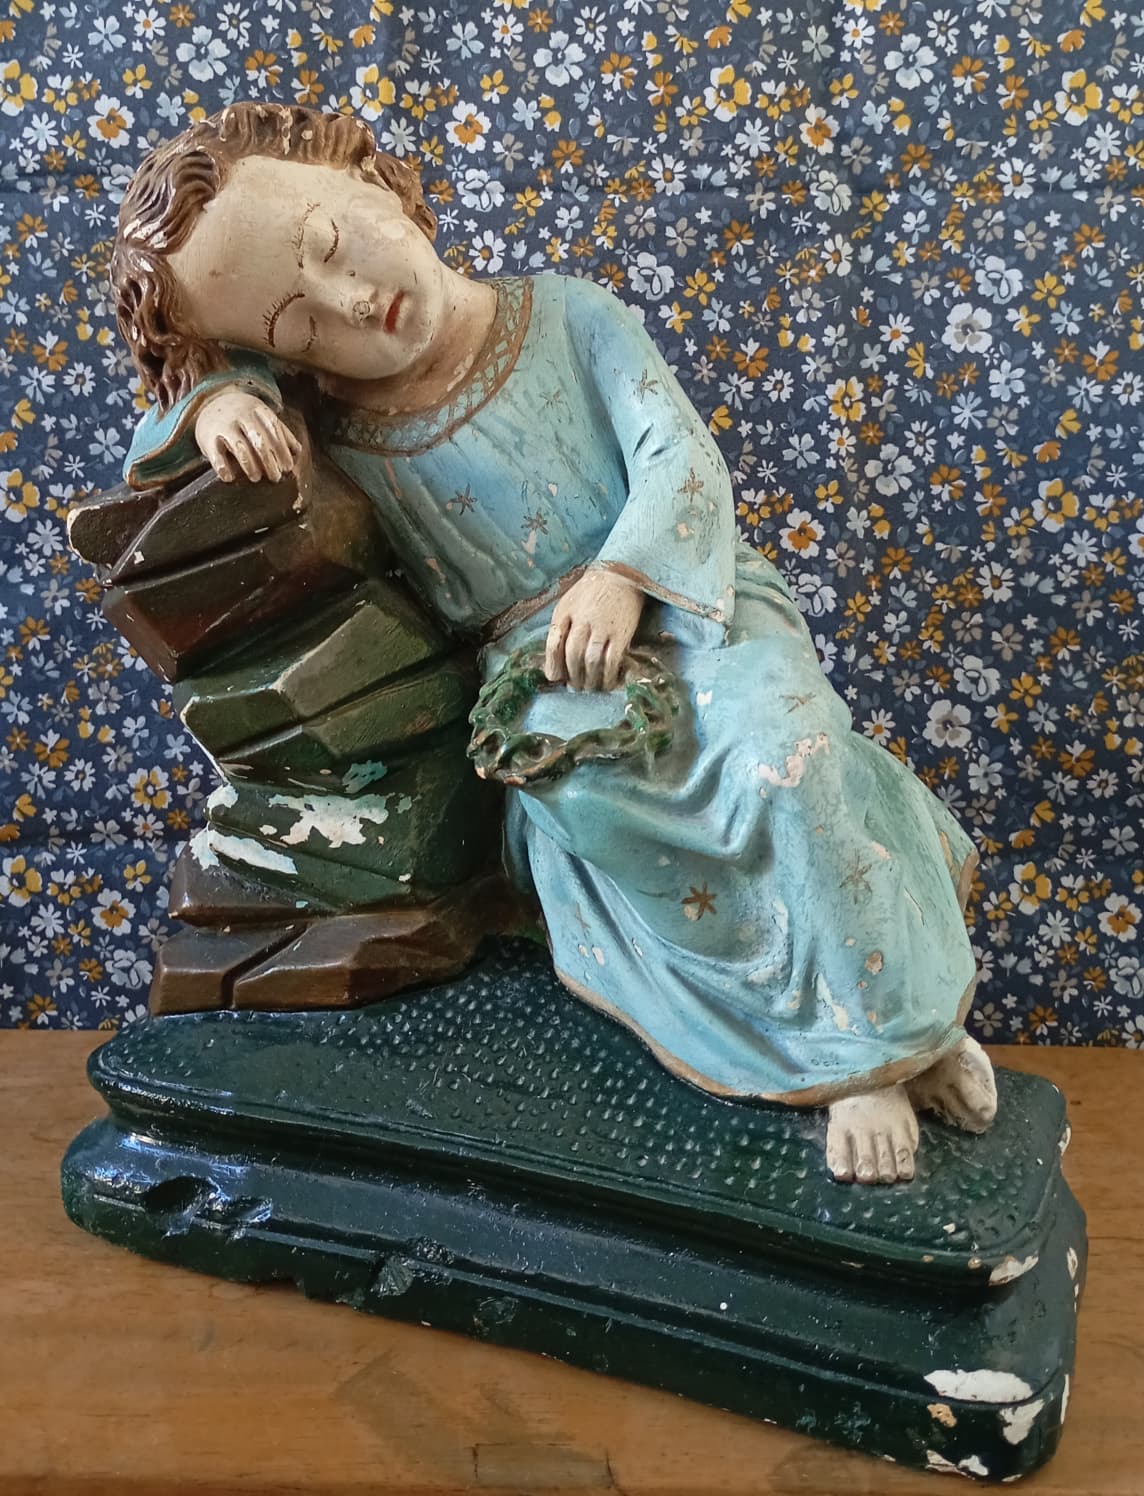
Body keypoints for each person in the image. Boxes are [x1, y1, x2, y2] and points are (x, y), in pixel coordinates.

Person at [115, 102, 997, 1183]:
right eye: (298, 328)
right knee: (599, 807)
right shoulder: (327, 413)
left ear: (373, 179)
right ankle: (826, 1043)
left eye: (332, 242)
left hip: (685, 601)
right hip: (543, 669)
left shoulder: (569, 316)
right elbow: (161, 425)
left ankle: (892, 1036)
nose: (349, 303)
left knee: (786, 756)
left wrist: (620, 578)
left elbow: (679, 455)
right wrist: (215, 398)